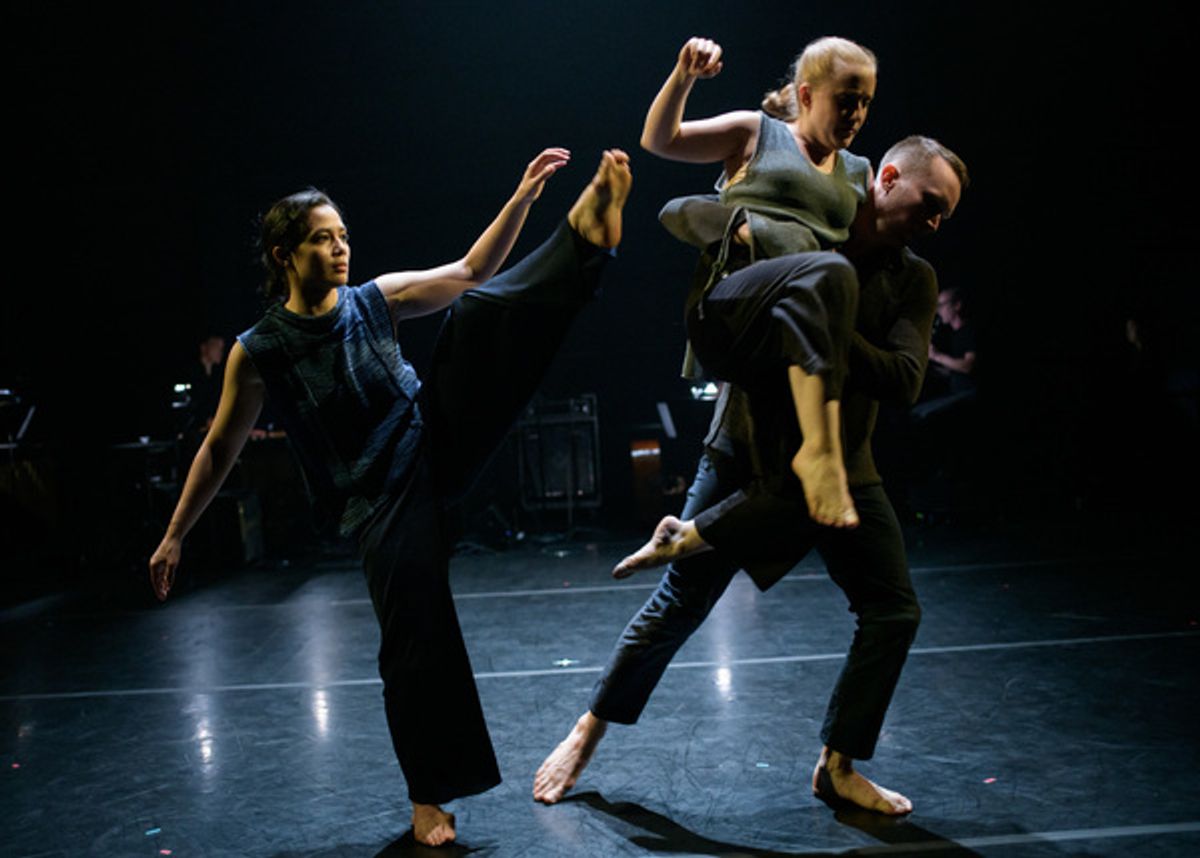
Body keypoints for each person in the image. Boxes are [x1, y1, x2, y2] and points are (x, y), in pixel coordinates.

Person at [149, 147, 632, 846]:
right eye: (323, 237)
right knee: (414, 636)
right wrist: (174, 534)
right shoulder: (259, 351)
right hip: (375, 502)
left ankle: (583, 239)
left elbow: (471, 271)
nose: (341, 247)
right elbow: (220, 446)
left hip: (431, 441)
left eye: (344, 235)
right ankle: (428, 797)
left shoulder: (375, 300)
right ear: (284, 254)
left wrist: (524, 196)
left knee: (474, 317)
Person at [534, 136, 967, 816]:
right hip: (746, 445)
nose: (936, 221)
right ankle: (588, 729)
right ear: (886, 178)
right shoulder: (804, 229)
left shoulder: (912, 278)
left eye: (946, 214)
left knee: (892, 610)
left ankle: (838, 765)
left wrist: (822, 327)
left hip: (843, 463)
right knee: (681, 600)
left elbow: (905, 379)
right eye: (930, 204)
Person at [642, 35, 877, 529]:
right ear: (808, 94)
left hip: (800, 325)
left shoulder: (858, 172)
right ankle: (819, 452)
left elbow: (867, 254)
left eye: (865, 103)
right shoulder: (758, 133)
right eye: (846, 100)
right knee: (826, 269)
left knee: (748, 467)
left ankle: (689, 536)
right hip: (737, 301)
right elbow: (660, 140)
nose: (856, 114)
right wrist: (684, 75)